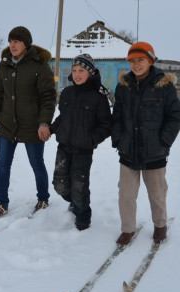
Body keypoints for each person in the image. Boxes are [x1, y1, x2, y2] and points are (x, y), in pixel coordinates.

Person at [111, 41, 180, 244]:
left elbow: (176, 116)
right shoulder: (123, 86)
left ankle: (160, 225)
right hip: (128, 151)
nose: (136, 64)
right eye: (132, 61)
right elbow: (117, 115)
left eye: (140, 60)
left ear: (150, 61)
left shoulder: (164, 86)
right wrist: (118, 139)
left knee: (157, 194)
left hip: (155, 152)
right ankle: (127, 229)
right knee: (126, 194)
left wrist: (164, 141)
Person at [0, 26, 57, 216]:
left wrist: (44, 123)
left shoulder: (39, 65)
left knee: (36, 163)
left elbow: (48, 97)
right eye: (10, 41)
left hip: (32, 126)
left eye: (16, 41)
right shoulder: (4, 64)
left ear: (26, 43)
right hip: (7, 124)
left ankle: (43, 198)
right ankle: (1, 202)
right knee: (2, 164)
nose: (12, 45)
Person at [50, 54, 112, 231]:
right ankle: (74, 203)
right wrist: (52, 129)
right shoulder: (67, 93)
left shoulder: (98, 97)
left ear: (90, 73)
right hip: (63, 146)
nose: (77, 74)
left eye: (81, 70)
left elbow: (106, 125)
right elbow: (63, 117)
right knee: (60, 185)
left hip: (83, 149)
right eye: (74, 70)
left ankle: (83, 215)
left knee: (79, 185)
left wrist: (91, 139)